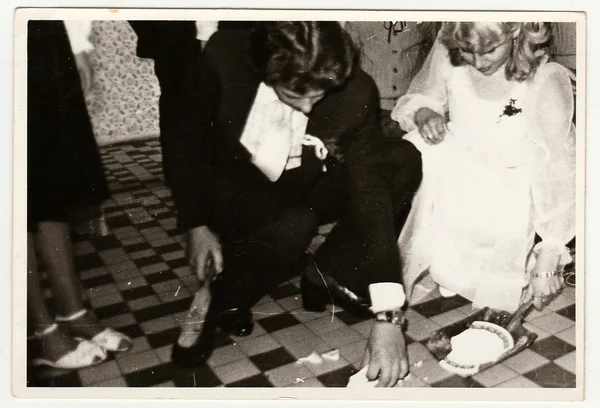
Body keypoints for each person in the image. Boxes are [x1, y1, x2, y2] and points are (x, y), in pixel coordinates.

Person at [170, 21, 423, 388]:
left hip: (309, 184)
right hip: (238, 190)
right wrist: (196, 224)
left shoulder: (356, 91)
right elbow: (184, 141)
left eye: (319, 95)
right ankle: (225, 292)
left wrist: (388, 314)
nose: (308, 107)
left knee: (400, 158)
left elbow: (371, 193)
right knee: (294, 225)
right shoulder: (222, 56)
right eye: (294, 94)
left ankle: (327, 272)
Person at [392, 22, 575, 313]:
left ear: (515, 33)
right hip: (458, 176)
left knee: (495, 290)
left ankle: (507, 266)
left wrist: (549, 257)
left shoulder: (544, 77)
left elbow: (560, 167)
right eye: (467, 51)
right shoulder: (452, 52)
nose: (478, 62)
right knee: (417, 151)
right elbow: (425, 96)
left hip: (511, 184)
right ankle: (450, 269)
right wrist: (426, 113)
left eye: (489, 51)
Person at [27, 20, 132, 370]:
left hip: (41, 37)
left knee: (53, 180)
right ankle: (42, 328)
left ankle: (73, 311)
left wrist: (76, 44)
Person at [344, 21, 440, 138]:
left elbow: (438, 47)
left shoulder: (421, 16)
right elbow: (346, 61)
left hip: (410, 108)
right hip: (370, 108)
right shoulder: (359, 19)